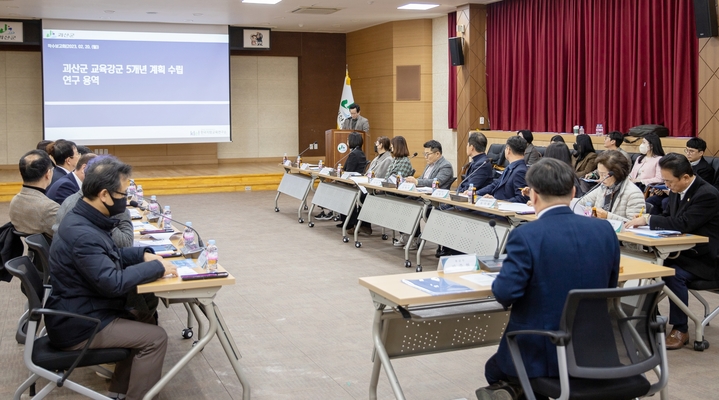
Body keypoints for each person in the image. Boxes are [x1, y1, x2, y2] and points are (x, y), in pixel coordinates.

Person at [476, 158, 620, 400]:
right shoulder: (604, 230)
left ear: (532, 195)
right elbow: (610, 285)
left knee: (496, 370)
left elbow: (505, 293)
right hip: (597, 349)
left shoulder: (526, 235)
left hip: (542, 352)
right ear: (574, 192)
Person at [45, 157, 177, 400]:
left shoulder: (84, 219)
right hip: (79, 324)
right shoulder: (83, 232)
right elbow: (112, 281)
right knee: (155, 338)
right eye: (123, 194)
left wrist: (144, 255)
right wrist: (157, 268)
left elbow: (110, 254)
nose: (126, 200)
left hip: (82, 310)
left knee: (145, 322)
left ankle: (119, 391)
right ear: (104, 195)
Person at [625, 154, 719, 350]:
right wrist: (648, 221)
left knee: (671, 273)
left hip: (705, 259)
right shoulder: (677, 189)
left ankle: (680, 329)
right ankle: (650, 318)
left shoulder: (707, 194)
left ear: (685, 177)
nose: (667, 185)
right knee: (650, 266)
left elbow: (683, 224)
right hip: (683, 252)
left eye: (669, 181)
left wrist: (649, 220)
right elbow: (669, 216)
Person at [647, 137, 713, 215]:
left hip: (684, 194)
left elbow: (697, 188)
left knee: (665, 202)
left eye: (691, 151)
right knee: (651, 200)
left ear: (701, 153)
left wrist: (649, 220)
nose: (688, 153)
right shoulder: (681, 163)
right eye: (687, 150)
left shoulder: (706, 169)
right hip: (674, 192)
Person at [8, 150, 60, 239]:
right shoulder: (49, 208)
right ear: (48, 174)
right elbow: (68, 236)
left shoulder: (14, 201)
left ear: (21, 173)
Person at [581, 150, 645, 221]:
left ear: (617, 173)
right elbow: (583, 201)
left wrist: (608, 216)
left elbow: (634, 225)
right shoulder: (604, 187)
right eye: (599, 174)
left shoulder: (634, 193)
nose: (601, 179)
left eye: (604, 175)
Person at [476, 136, 529, 203]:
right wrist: (476, 193)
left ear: (508, 150)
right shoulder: (510, 167)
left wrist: (497, 202)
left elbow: (522, 198)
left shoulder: (520, 171)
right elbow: (495, 184)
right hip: (495, 206)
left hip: (504, 210)